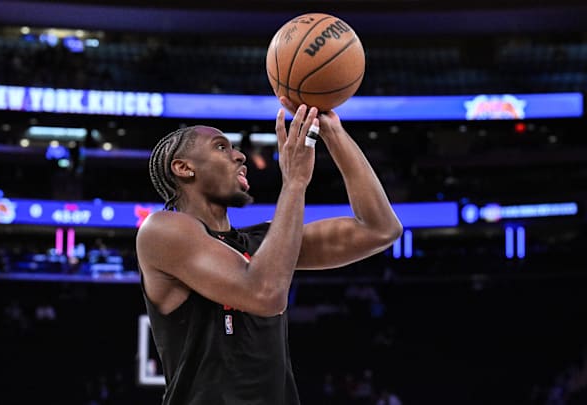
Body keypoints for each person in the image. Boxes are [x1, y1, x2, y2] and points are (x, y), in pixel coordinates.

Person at [136, 97, 403, 405]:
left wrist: (334, 134)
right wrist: (294, 183)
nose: (239, 156)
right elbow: (265, 294)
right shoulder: (162, 229)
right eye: (221, 147)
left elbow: (380, 229)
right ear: (183, 168)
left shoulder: (263, 244)